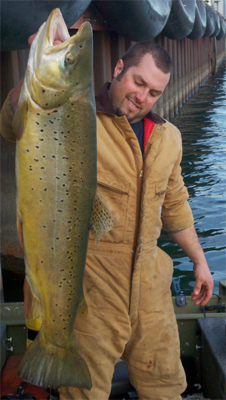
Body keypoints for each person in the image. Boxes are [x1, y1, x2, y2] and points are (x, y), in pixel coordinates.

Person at [0, 39, 214, 400]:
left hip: (152, 289)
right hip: (92, 291)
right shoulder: (74, 117)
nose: (143, 96)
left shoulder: (169, 137)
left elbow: (175, 206)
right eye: (138, 82)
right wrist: (36, 70)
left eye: (154, 91)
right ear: (117, 70)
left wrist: (200, 260)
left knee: (165, 386)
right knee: (85, 392)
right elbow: (12, 123)